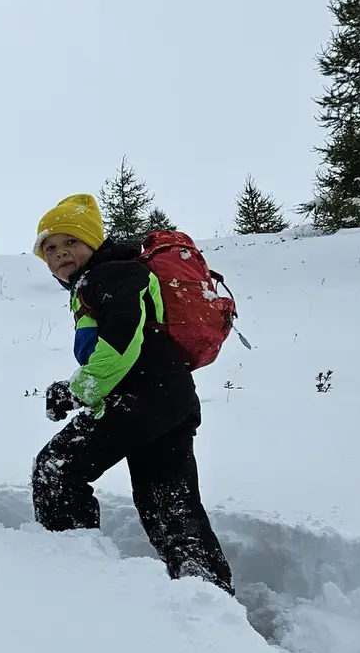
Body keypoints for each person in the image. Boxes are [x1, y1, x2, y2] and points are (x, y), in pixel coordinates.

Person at [31, 193, 233, 592]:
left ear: (93, 241)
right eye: (49, 248)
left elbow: (122, 343)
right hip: (168, 399)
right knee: (169, 507)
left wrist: (77, 390)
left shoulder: (111, 274)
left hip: (139, 398)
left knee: (56, 470)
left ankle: (74, 574)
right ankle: (208, 597)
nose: (60, 254)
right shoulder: (108, 277)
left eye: (70, 241)